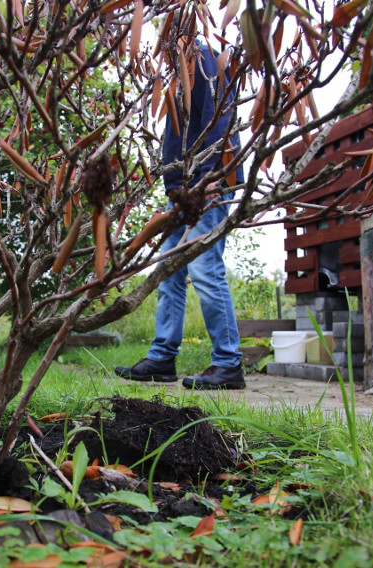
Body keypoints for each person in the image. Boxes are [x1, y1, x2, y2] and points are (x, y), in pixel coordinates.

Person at [114, 36, 246, 390]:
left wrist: (212, 178)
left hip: (206, 183)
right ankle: (162, 359)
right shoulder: (177, 68)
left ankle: (228, 363)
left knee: (204, 268)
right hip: (181, 189)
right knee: (168, 271)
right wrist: (172, 185)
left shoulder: (205, 60)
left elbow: (221, 120)